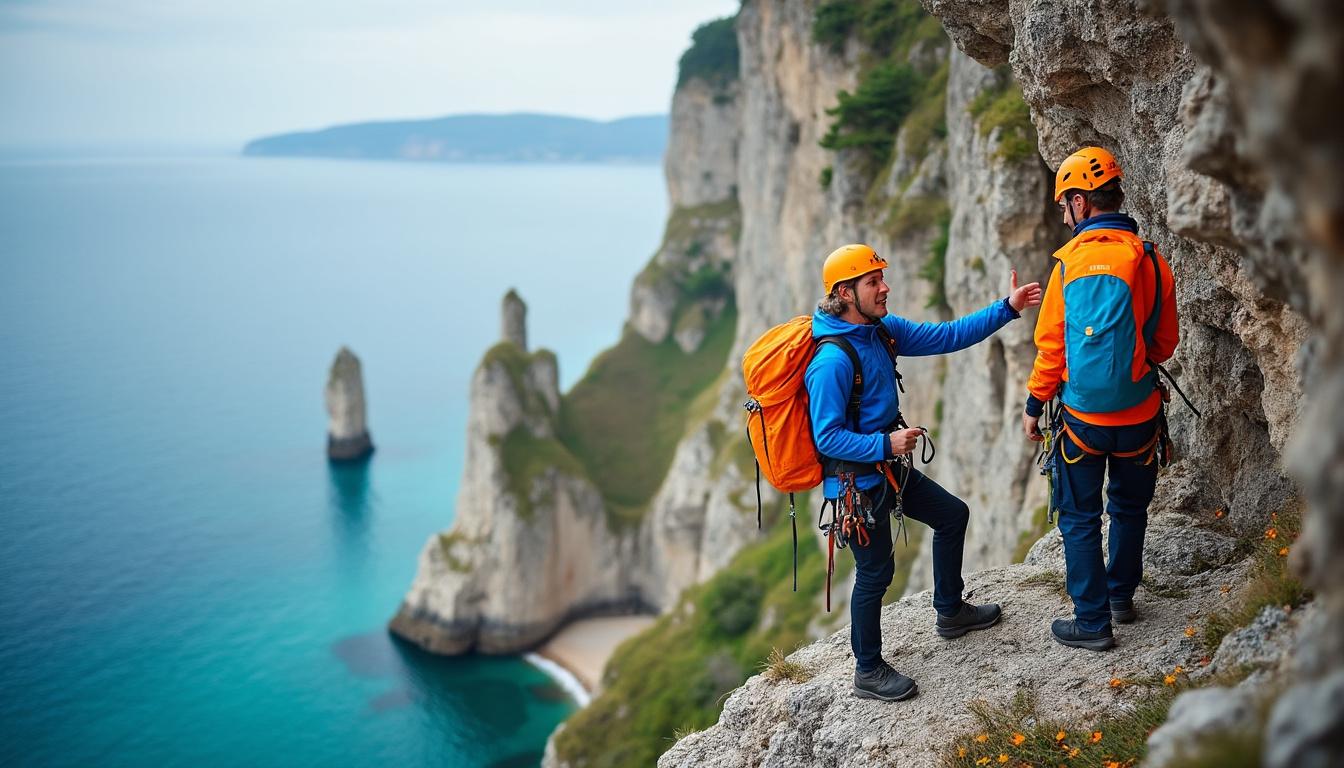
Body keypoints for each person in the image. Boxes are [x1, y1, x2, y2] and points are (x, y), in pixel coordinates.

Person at [805, 243, 1042, 702]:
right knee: (875, 573)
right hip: (857, 486)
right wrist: (885, 443)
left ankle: (950, 611)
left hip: (887, 471)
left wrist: (1006, 310)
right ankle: (867, 671)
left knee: (953, 515)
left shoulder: (881, 332)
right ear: (845, 293)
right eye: (872, 282)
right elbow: (826, 438)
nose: (884, 287)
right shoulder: (832, 361)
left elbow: (946, 335)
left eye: (881, 278)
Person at [1022, 146, 1179, 651]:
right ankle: (1119, 597)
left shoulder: (1067, 266)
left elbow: (1051, 348)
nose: (1064, 214)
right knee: (1130, 509)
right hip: (1139, 416)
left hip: (1083, 421)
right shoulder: (1151, 261)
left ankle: (1091, 621)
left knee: (1080, 516)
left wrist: (1033, 404)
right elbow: (1164, 343)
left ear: (1081, 203)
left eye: (1065, 204)